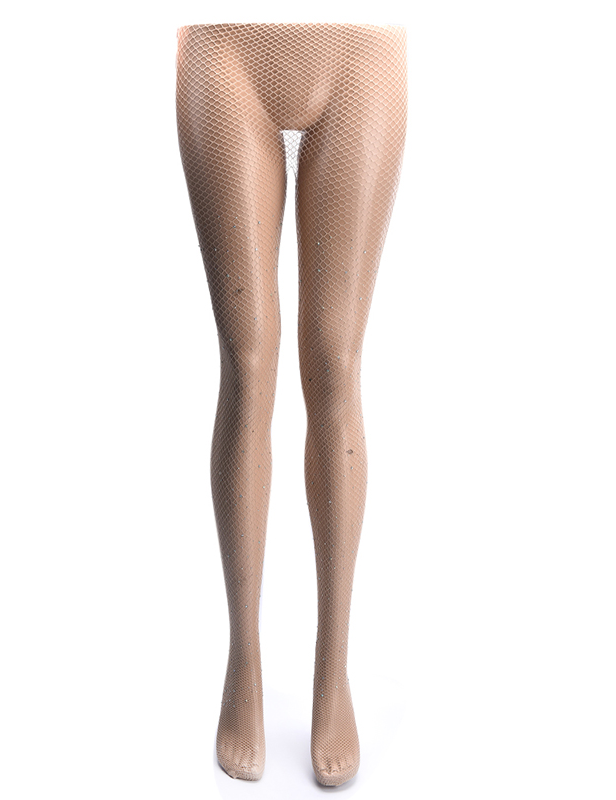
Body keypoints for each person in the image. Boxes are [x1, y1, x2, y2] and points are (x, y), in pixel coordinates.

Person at [175, 22, 408, 786]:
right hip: (225, 43)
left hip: (359, 47)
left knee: (335, 365)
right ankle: (243, 658)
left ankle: (332, 668)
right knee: (247, 363)